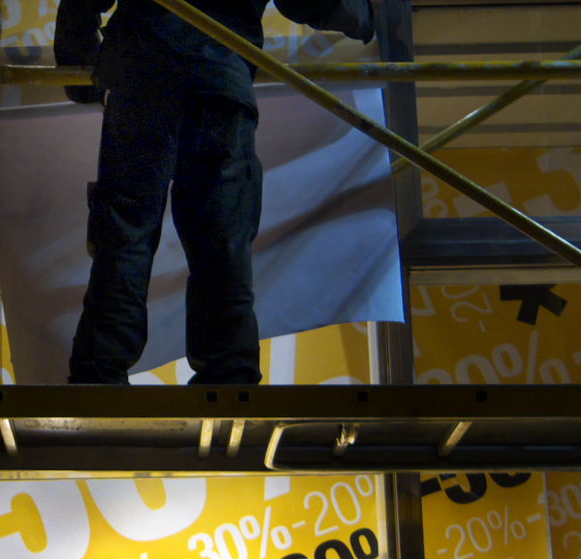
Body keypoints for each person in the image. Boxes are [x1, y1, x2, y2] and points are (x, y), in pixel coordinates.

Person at [57, 0, 380, 385]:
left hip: (141, 76)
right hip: (219, 78)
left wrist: (80, 71)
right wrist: (370, 15)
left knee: (126, 230)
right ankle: (227, 368)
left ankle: (101, 367)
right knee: (221, 234)